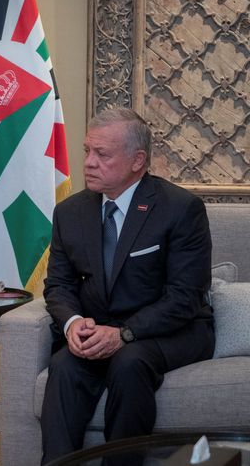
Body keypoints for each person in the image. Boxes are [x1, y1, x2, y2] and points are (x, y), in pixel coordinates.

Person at [40, 107, 214, 463]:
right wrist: (73, 323)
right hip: (98, 330)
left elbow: (185, 298)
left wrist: (123, 334)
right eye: (87, 150)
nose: (88, 162)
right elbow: (58, 285)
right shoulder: (69, 213)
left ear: (138, 160)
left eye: (102, 154)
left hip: (168, 331)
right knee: (64, 366)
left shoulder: (181, 209)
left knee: (129, 363)